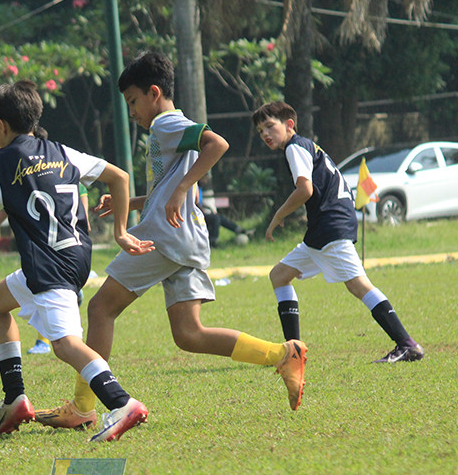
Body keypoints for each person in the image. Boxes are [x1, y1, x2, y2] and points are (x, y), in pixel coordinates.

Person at [35, 52, 307, 431]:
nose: (131, 110)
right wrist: (132, 202)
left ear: (154, 92)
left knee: (100, 310)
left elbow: (218, 144)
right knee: (188, 334)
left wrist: (181, 188)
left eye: (132, 101)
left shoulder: (166, 123)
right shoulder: (165, 130)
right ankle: (283, 353)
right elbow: (169, 186)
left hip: (165, 236)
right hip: (187, 238)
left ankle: (83, 406)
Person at [0, 81, 155, 442]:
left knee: (65, 345)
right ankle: (15, 398)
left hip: (48, 265)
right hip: (76, 256)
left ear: (1, 125)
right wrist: (120, 231)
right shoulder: (62, 151)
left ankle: (122, 403)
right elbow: (120, 176)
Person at [252, 100, 424, 363]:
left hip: (331, 226)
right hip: (324, 229)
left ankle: (407, 344)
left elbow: (304, 190)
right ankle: (294, 351)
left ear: (289, 125)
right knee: (279, 275)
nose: (264, 134)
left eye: (269, 126)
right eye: (260, 130)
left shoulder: (295, 148)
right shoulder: (306, 146)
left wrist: (279, 214)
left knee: (358, 286)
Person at [0, 125, 90, 355]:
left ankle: (115, 392)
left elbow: (83, 211)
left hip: (54, 258)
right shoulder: (62, 167)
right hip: (56, 256)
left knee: (67, 345)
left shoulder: (55, 171)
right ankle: (16, 390)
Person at [197, 174, 249, 247]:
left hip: (201, 213)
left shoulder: (200, 188)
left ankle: (239, 230)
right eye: (205, 179)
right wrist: (203, 212)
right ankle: (213, 241)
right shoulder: (195, 188)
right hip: (197, 215)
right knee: (216, 218)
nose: (206, 181)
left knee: (219, 217)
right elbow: (196, 204)